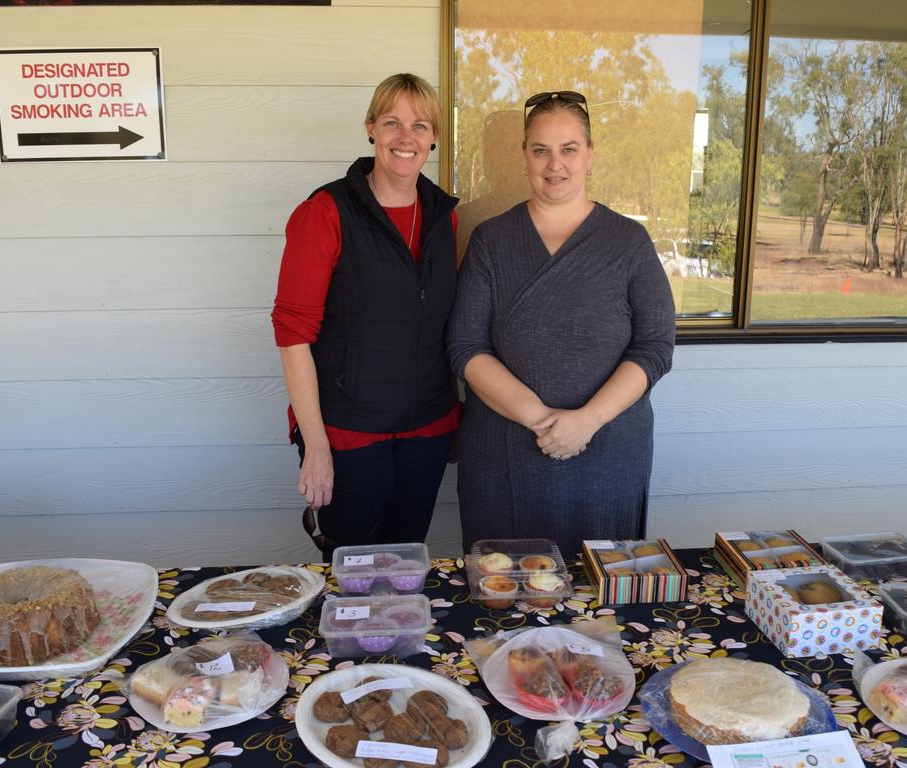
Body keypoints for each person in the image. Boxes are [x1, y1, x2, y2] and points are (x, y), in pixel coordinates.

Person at [446, 90, 675, 557]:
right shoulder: (492, 240)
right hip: (505, 451)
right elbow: (465, 346)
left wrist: (585, 422)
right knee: (504, 594)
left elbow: (654, 347)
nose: (556, 164)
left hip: (607, 452)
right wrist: (544, 422)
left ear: (589, 155)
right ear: (524, 157)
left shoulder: (629, 242)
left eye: (569, 149)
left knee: (599, 604)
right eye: (541, 150)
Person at [272, 73, 460, 562]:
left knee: (404, 565)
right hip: (349, 434)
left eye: (420, 125)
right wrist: (315, 446)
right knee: (353, 573)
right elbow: (293, 335)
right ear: (370, 128)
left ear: (434, 137)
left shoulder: (445, 216)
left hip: (427, 430)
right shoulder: (326, 212)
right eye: (393, 122)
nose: (406, 137)